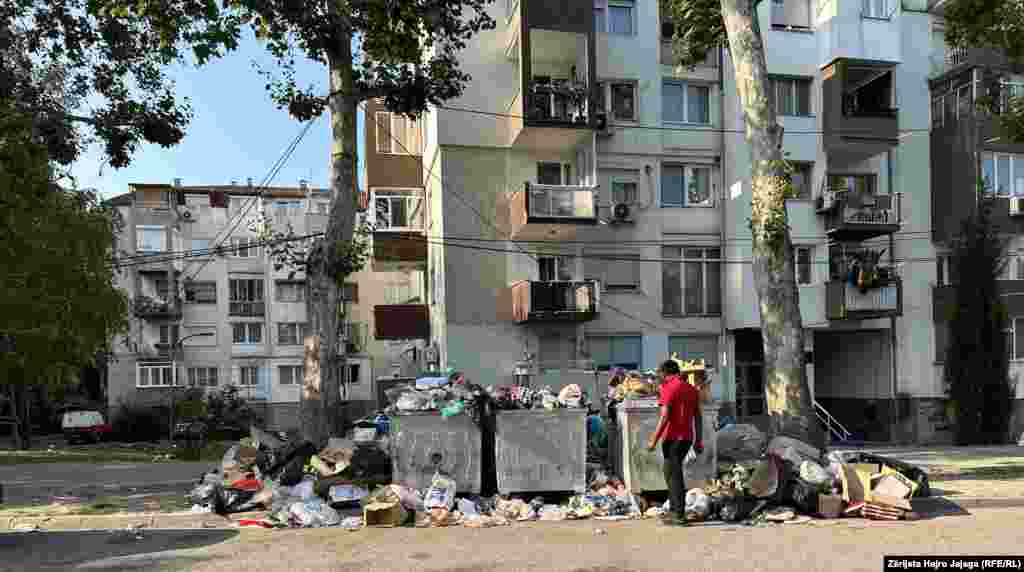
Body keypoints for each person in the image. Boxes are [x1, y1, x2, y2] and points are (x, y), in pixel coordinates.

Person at [647, 359, 703, 526]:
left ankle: (679, 514)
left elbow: (664, 416)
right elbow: (698, 417)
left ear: (665, 373)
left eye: (660, 374)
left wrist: (653, 440)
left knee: (674, 474)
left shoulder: (668, 388)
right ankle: (674, 511)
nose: (659, 377)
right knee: (669, 471)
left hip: (673, 438)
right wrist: (698, 440)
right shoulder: (691, 389)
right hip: (687, 438)